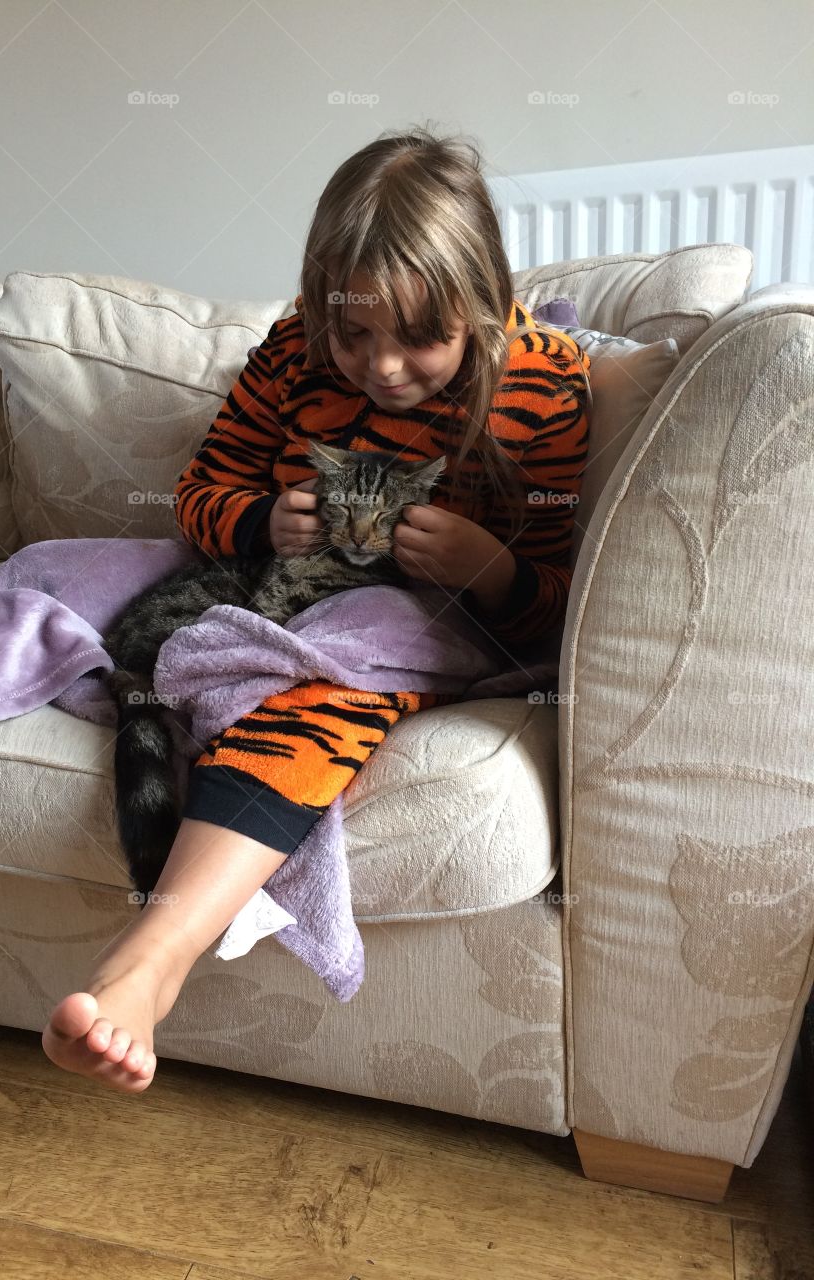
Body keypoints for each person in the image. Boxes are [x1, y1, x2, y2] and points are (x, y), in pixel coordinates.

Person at [42, 123, 591, 1092]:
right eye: (355, 335)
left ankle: (153, 961)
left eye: (420, 338)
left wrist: (491, 567)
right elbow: (200, 494)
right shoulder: (295, 349)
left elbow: (556, 605)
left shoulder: (542, 382)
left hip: (421, 627)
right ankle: (139, 962)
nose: (383, 369)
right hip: (288, 595)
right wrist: (261, 521)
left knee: (325, 696)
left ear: (479, 304)